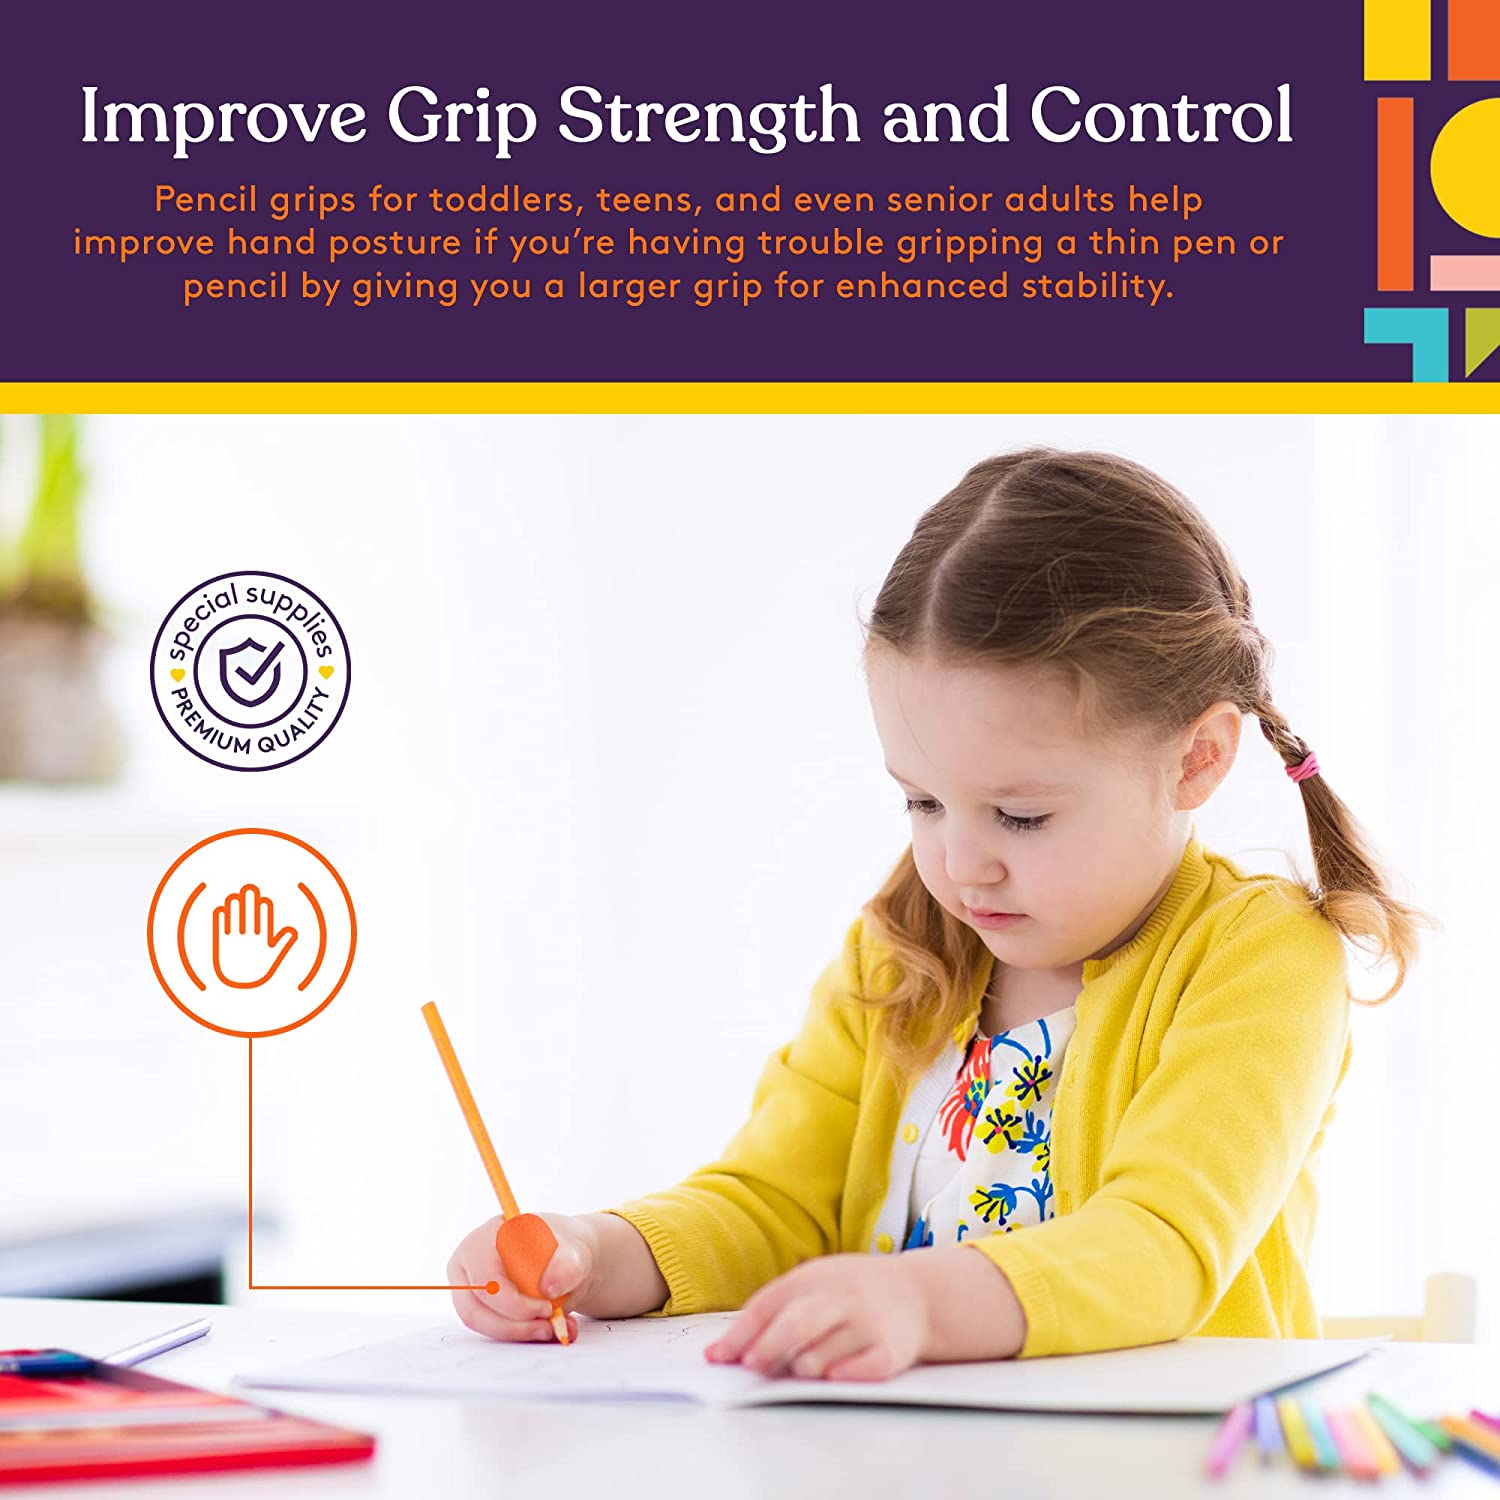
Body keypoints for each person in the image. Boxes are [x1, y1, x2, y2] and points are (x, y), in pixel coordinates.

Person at [447, 447, 1431, 1381]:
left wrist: (921, 1302)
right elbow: (776, 1203)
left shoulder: (1260, 959)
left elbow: (1162, 1243)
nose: (959, 865)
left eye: (1020, 814)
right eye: (921, 801)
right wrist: (594, 1254)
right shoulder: (904, 947)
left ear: (1197, 760)